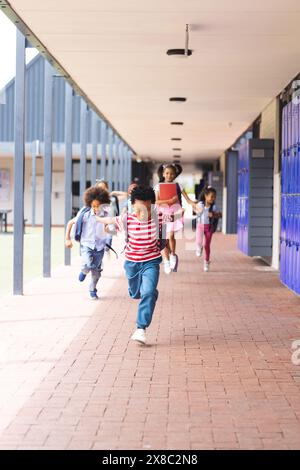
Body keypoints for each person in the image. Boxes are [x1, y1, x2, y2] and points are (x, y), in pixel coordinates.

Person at [95, 186, 164, 345]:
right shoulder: (127, 218)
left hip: (151, 262)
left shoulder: (158, 217)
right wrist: (97, 219)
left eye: (147, 209)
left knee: (148, 291)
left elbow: (174, 217)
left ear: (152, 206)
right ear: (133, 206)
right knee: (135, 293)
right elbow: (110, 221)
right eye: (139, 209)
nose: (143, 214)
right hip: (132, 263)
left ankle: (141, 328)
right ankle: (148, 293)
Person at [65, 186, 111, 299]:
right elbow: (70, 223)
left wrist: (108, 229)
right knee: (87, 265)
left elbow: (109, 228)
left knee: (96, 273)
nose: (96, 208)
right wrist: (67, 239)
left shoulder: (106, 216)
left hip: (99, 248)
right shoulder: (85, 215)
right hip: (86, 245)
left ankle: (92, 289)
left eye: (98, 206)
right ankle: (84, 270)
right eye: (94, 206)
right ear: (90, 204)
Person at [154, 163, 194, 274]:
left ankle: (173, 255)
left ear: (175, 175)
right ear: (163, 174)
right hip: (162, 213)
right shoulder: (158, 186)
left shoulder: (178, 185)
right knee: (164, 240)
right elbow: (155, 201)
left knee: (170, 235)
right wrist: (169, 201)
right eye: (167, 173)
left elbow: (187, 199)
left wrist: (193, 204)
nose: (169, 175)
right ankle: (166, 261)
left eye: (172, 174)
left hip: (174, 212)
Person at [193, 186, 222, 272]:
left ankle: (206, 261)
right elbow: (195, 210)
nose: (213, 198)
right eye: (212, 196)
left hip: (209, 228)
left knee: (207, 245)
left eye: (214, 197)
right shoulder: (200, 204)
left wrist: (213, 214)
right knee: (198, 241)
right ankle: (198, 247)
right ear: (206, 196)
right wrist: (195, 207)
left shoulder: (214, 207)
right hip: (200, 226)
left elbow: (220, 215)